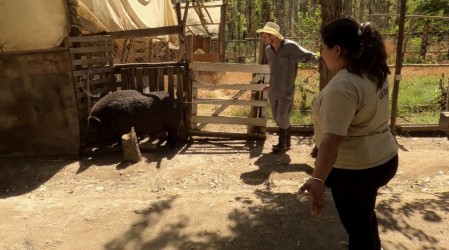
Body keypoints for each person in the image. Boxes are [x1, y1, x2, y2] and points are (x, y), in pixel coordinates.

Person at [299, 18, 398, 250]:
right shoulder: (372, 69)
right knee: (364, 217)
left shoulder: (342, 87)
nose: (321, 53)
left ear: (337, 49)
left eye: (323, 48)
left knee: (358, 227)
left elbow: (331, 142)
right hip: (383, 159)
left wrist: (317, 180)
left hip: (356, 169)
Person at [256, 22, 317, 154]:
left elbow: (309, 56)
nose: (262, 38)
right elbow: (274, 71)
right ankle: (287, 142)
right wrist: (270, 85)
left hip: (286, 89)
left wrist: (324, 60)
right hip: (273, 90)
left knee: (283, 117)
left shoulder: (290, 47)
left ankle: (281, 144)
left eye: (264, 36)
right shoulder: (268, 51)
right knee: (277, 118)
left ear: (273, 36)